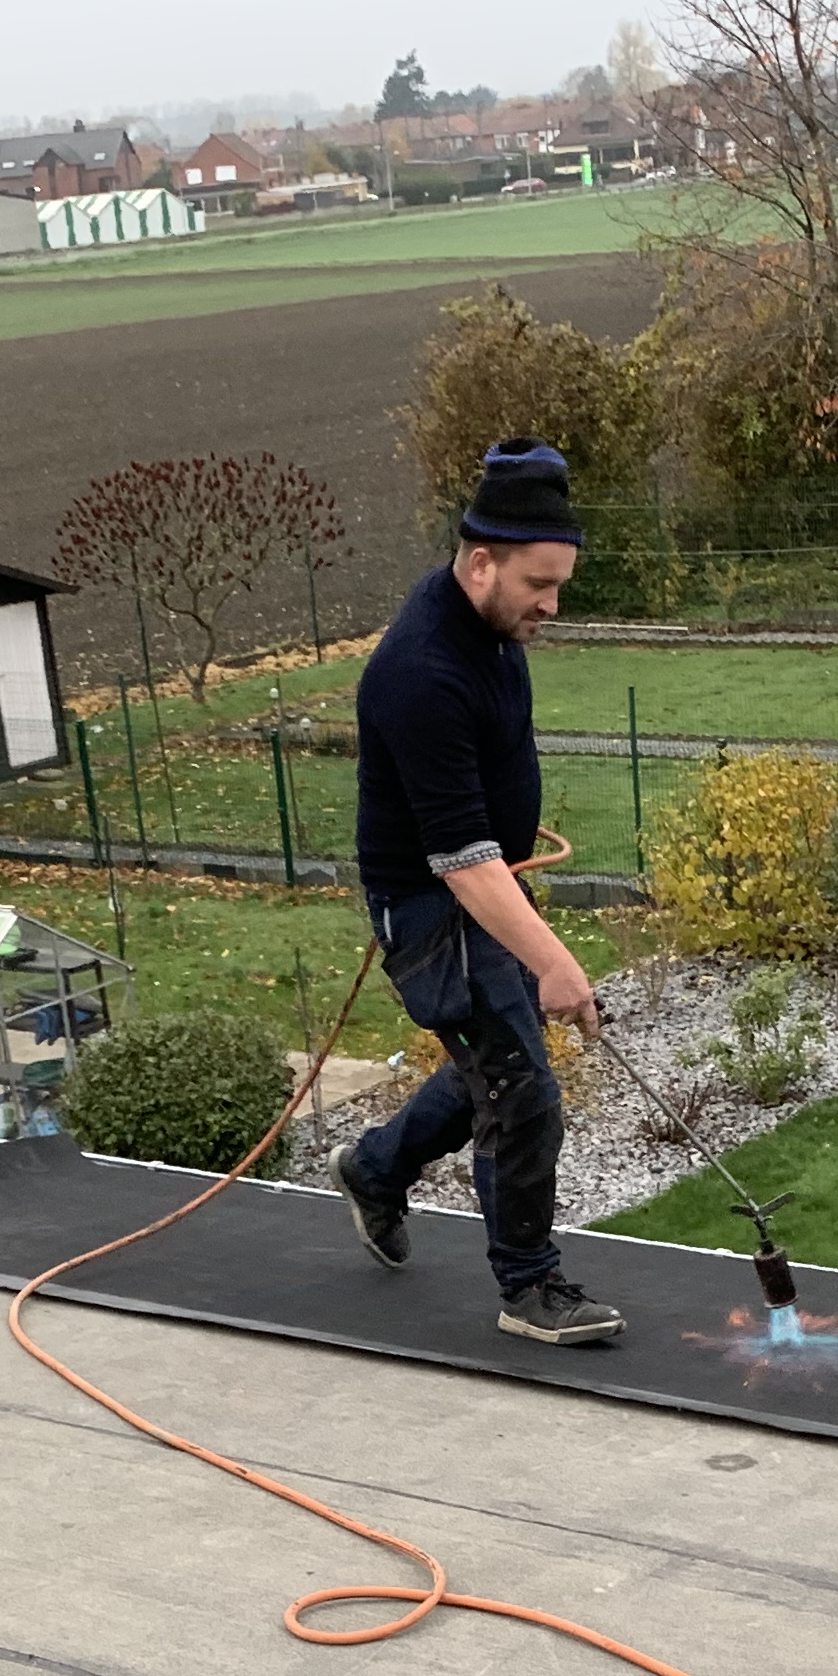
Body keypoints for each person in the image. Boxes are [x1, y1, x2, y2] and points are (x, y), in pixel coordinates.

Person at [334, 439, 624, 1346]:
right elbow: (459, 860)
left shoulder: (494, 630)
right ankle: (529, 1288)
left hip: (488, 886)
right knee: (521, 1086)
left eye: (560, 584)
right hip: (432, 908)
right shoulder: (421, 669)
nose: (552, 604)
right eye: (539, 584)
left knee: (492, 1069)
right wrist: (557, 963)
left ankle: (376, 1169)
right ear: (481, 562)